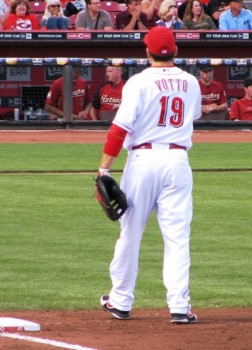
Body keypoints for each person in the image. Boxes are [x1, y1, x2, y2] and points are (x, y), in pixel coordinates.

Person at [98, 26, 201, 323]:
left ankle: (120, 301)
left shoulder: (139, 82)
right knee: (178, 237)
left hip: (143, 161)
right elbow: (192, 115)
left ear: (147, 52)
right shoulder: (191, 82)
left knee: (131, 232)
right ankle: (180, 307)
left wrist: (104, 166)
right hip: (178, 162)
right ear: (176, 51)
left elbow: (120, 129)